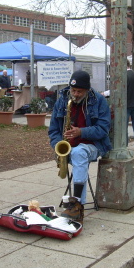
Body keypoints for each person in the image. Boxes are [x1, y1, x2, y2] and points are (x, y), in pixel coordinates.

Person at [49, 70, 112, 223]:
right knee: (77, 155)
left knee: (79, 153)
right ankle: (76, 207)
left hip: (94, 146)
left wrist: (81, 132)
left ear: (87, 90)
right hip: (69, 147)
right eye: (73, 90)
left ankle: (76, 205)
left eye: (79, 91)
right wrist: (59, 145)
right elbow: (53, 130)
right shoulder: (62, 100)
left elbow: (103, 129)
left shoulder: (99, 101)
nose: (75, 94)